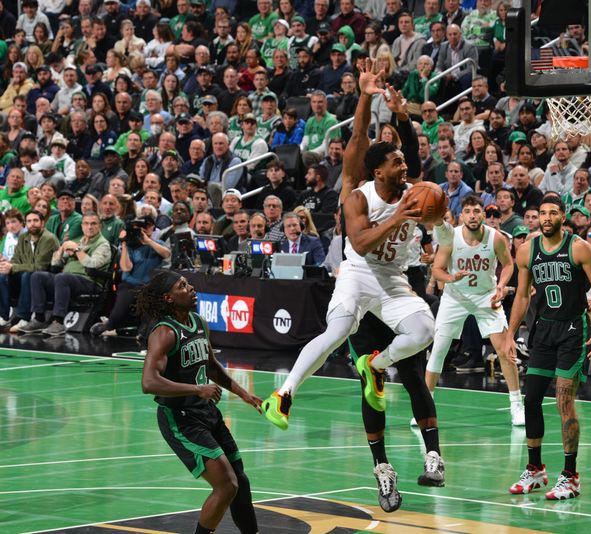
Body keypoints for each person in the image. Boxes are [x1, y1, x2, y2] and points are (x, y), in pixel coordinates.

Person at [262, 64, 438, 512]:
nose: (402, 162)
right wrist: (363, 97)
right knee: (336, 331)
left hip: (395, 280)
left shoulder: (412, 188)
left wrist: (399, 115)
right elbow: (359, 239)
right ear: (376, 169)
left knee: (424, 330)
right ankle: (283, 396)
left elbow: (413, 150)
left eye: (402, 158)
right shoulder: (358, 194)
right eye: (394, 159)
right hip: (358, 272)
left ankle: (378, 366)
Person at [138, 271, 262, 534]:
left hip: (206, 412)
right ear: (168, 298)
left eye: (188, 283)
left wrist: (243, 393)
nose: (191, 287)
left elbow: (212, 367)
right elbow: (148, 383)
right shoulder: (163, 332)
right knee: (227, 485)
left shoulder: (198, 322)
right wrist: (197, 389)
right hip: (180, 418)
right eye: (182, 286)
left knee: (240, 480)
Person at [504, 194, 591, 500]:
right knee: (532, 398)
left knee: (564, 401)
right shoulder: (527, 251)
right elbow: (522, 296)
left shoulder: (578, 247)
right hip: (543, 330)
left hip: (573, 330)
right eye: (542, 214)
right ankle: (535, 470)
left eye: (553, 213)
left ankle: (570, 475)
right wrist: (511, 333)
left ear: (563, 217)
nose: (547, 218)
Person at [426, 194, 522, 425]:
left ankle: (517, 406)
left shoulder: (496, 238)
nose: (473, 215)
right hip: (454, 298)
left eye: (477, 211)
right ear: (462, 215)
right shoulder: (451, 237)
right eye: (468, 211)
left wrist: (500, 284)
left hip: (485, 297)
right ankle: (425, 406)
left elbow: (508, 264)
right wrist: (451, 276)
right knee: (438, 349)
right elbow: (437, 269)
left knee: (505, 350)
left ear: (482, 214)